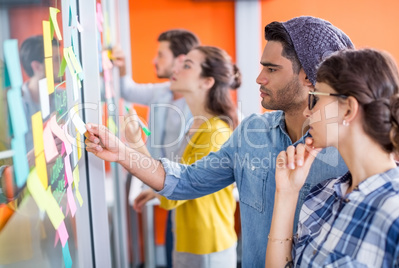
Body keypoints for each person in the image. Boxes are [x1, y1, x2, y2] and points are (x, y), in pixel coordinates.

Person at [85, 16, 354, 267]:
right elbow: (185, 181)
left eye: (272, 69)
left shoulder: (347, 152)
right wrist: (122, 152)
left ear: (309, 77)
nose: (260, 78)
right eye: (263, 67)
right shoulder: (252, 132)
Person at [265, 48, 399, 267]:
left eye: (315, 99)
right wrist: (287, 194)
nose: (307, 113)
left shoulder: (395, 213)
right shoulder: (321, 195)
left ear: (348, 109)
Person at [131, 45, 240, 268]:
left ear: (207, 81)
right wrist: (156, 192)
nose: (177, 68)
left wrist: (135, 144)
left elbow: (175, 194)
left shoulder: (215, 132)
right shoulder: (196, 124)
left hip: (207, 248)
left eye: (187, 65)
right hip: (192, 240)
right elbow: (183, 178)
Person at [113, 29, 199, 268]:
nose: (154, 60)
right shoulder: (162, 92)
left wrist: (160, 187)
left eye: (161, 55)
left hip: (185, 199)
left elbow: (194, 169)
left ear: (180, 60)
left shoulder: (198, 107)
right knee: (174, 253)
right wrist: (121, 70)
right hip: (166, 190)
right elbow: (127, 90)